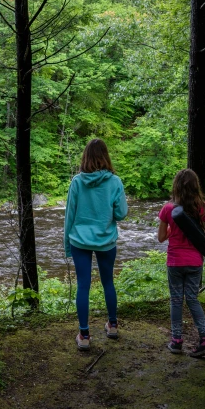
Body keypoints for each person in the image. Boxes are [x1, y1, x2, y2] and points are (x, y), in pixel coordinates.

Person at [64, 139, 128, 351]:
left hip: (79, 241)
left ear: (86, 157)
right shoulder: (115, 182)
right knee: (108, 282)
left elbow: (69, 216)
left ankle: (84, 335)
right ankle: (113, 325)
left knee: (83, 285)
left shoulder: (77, 182)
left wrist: (66, 245)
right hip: (106, 240)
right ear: (106, 157)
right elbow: (121, 214)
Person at [157, 169, 205, 358]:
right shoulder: (201, 206)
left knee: (176, 300)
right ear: (196, 186)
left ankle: (176, 341)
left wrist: (172, 229)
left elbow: (161, 238)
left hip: (175, 261)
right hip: (195, 261)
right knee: (192, 299)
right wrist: (201, 235)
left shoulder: (168, 209)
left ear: (176, 186)